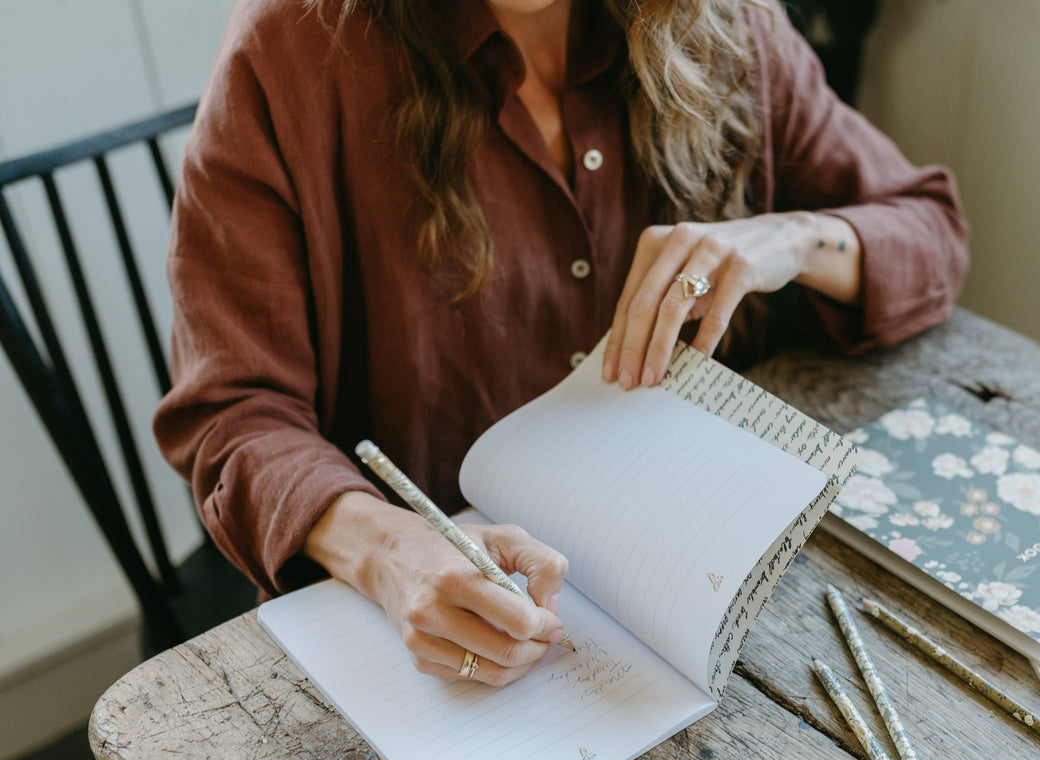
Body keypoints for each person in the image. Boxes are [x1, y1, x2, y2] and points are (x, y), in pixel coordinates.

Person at [154, 0, 969, 688]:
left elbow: (930, 232)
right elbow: (232, 415)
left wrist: (794, 237)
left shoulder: (725, 26)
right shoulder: (292, 55)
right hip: (432, 640)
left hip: (696, 586)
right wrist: (387, 549)